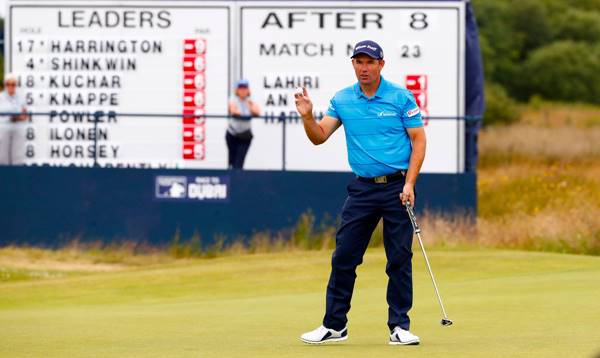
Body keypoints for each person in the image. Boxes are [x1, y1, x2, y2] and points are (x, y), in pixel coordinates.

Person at [295, 40, 427, 345]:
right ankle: (334, 326)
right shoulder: (342, 99)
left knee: (398, 258)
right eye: (359, 62)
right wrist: (306, 117)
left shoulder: (400, 97)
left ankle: (399, 326)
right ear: (353, 64)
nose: (364, 68)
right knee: (344, 256)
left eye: (370, 62)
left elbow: (419, 141)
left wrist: (409, 183)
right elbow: (319, 137)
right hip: (362, 190)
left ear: (382, 64)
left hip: (397, 187)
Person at [226, 79, 260, 169]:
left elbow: (257, 111)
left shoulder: (250, 100)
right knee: (231, 161)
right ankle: (231, 179)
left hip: (245, 136)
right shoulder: (233, 98)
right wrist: (246, 113)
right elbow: (233, 111)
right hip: (232, 134)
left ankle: (237, 179)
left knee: (239, 162)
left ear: (248, 89)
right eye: (240, 88)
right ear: (237, 90)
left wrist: (249, 107)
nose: (243, 90)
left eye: (245, 88)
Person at [0, 74, 28, 165]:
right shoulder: (0, 97)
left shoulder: (21, 97)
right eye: (8, 84)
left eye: (13, 84)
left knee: (18, 156)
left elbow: (25, 114)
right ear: (5, 85)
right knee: (3, 155)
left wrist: (18, 117)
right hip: (4, 129)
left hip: (18, 128)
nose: (10, 86)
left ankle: (17, 176)